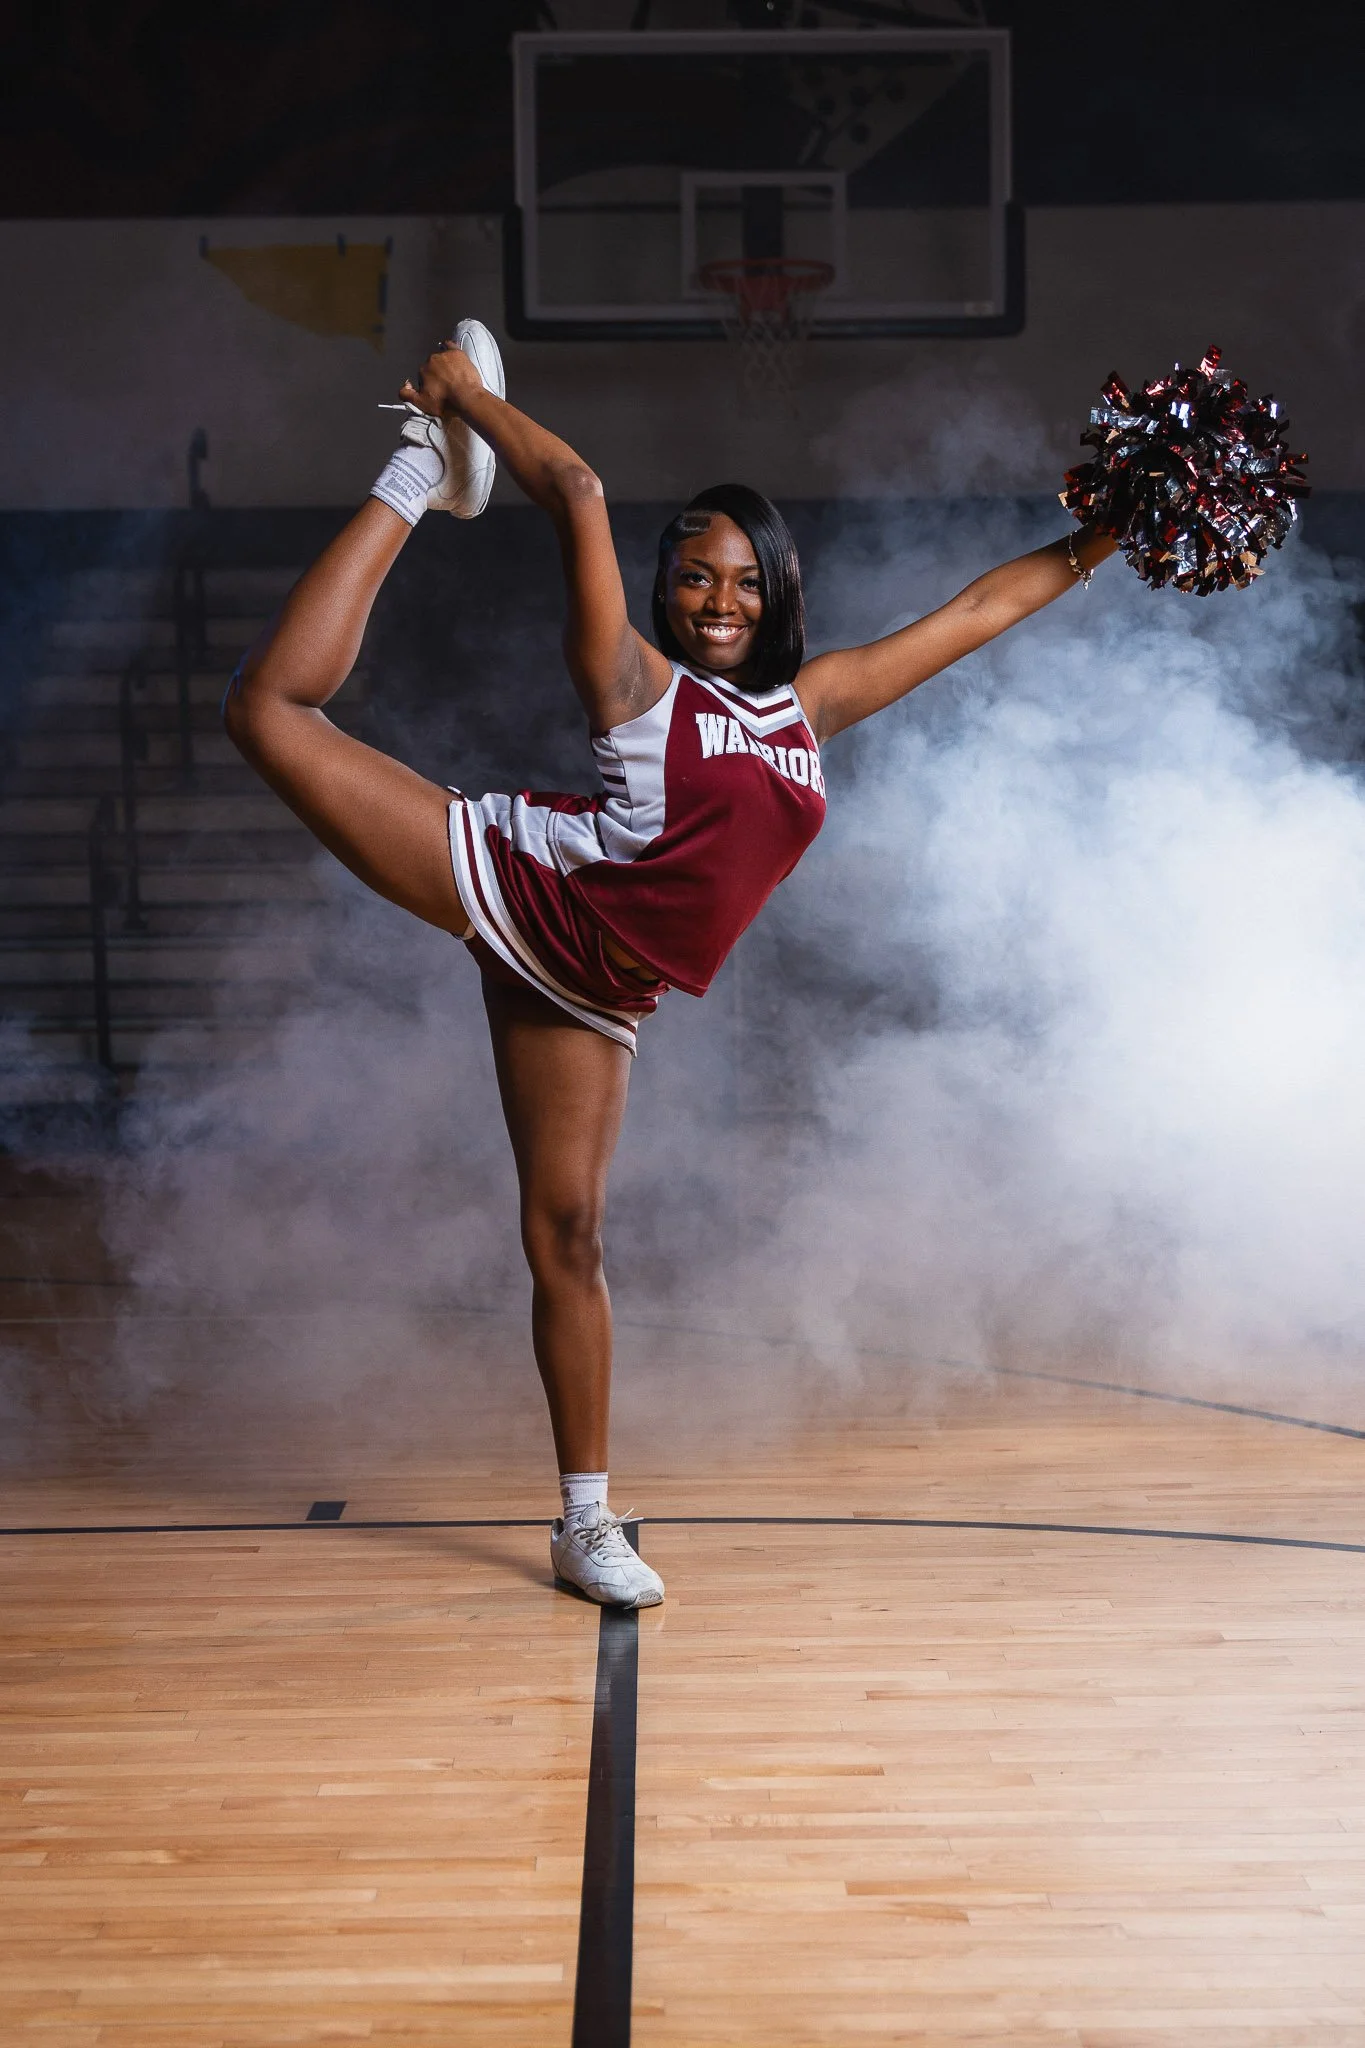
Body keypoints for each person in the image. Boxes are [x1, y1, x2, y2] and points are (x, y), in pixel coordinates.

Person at [224, 320, 1118, 1609]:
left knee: (570, 1232)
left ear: (780, 596)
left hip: (598, 990)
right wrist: (467, 401)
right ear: (664, 589)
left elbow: (982, 607)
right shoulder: (632, 679)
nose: (719, 601)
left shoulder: (809, 708)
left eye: (747, 582)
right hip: (515, 879)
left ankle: (582, 1525)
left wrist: (1111, 531)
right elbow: (579, 492)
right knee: (265, 710)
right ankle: (418, 470)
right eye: (697, 575)